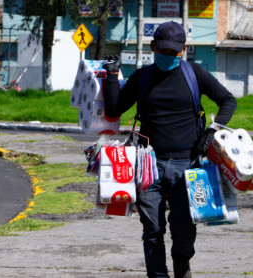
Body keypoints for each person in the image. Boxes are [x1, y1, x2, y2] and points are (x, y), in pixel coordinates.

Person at [102, 21, 237, 278]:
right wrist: (111, 75)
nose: (168, 56)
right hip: (148, 167)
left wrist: (213, 129)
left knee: (183, 231)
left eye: (174, 52)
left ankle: (182, 266)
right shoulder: (142, 78)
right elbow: (113, 110)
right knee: (152, 231)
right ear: (152, 47)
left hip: (188, 167)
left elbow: (228, 100)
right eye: (162, 51)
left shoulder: (194, 74)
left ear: (183, 49)